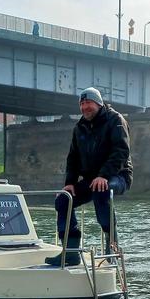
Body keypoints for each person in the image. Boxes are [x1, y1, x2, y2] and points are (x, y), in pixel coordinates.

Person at [45, 87, 133, 266]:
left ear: (98, 103)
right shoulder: (79, 127)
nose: (85, 107)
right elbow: (73, 157)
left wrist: (104, 175)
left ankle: (111, 246)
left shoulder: (115, 120)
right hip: (91, 179)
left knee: (101, 189)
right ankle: (70, 252)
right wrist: (69, 183)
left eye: (89, 103)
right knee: (63, 200)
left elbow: (121, 151)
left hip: (118, 175)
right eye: (82, 104)